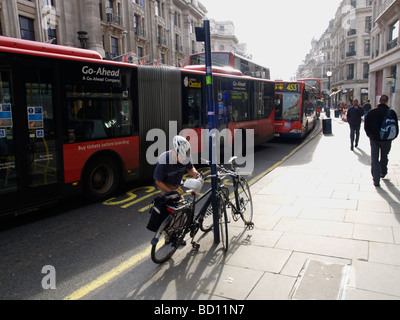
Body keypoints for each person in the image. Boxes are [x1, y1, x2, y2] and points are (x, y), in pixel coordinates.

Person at [364, 95, 399, 187]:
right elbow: (396, 127)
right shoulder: (392, 113)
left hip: (374, 138)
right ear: (387, 101)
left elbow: (366, 125)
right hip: (386, 139)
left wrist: (369, 134)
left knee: (374, 158)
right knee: (384, 155)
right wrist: (392, 137)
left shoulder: (372, 112)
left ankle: (376, 179)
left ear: (379, 101)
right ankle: (383, 172)